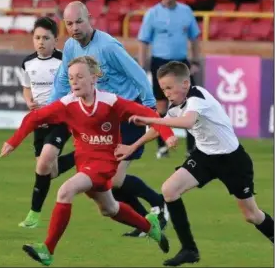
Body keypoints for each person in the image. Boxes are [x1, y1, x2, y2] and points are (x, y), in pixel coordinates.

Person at [0, 56, 177, 266]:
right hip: (84, 163)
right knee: (109, 209)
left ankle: (47, 250)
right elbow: (34, 118)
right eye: (71, 77)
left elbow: (149, 114)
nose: (74, 81)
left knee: (65, 191)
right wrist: (14, 141)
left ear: (94, 78)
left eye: (80, 77)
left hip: (104, 163)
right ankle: (150, 227)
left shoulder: (110, 102)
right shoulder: (67, 104)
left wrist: (168, 135)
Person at [115, 61, 274, 266]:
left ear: (185, 83)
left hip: (232, 160)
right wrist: (132, 147)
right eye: (163, 89)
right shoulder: (176, 105)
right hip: (204, 157)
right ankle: (189, 250)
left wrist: (153, 120)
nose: (167, 93)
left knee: (252, 215)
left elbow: (188, 122)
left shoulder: (197, 97)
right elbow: (157, 128)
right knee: (169, 190)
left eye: (170, 88)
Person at [49, 0, 170, 237]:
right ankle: (144, 221)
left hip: (129, 114)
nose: (75, 27)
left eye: (79, 21)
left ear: (90, 19)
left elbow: (137, 74)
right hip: (105, 119)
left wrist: (148, 110)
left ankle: (159, 203)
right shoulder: (72, 47)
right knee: (108, 182)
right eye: (70, 23)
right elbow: (63, 80)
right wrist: (52, 110)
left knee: (112, 180)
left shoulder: (107, 46)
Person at [19, 17, 75, 228]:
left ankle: (34, 214)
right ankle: (80, 156)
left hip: (61, 120)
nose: (40, 42)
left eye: (45, 38)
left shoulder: (64, 61)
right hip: (39, 121)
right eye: (37, 37)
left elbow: (74, 87)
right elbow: (26, 87)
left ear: (55, 40)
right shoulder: (27, 63)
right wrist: (28, 100)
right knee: (47, 171)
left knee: (45, 161)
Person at [138, 0, 200, 158]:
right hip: (160, 63)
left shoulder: (186, 11)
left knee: (191, 104)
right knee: (161, 106)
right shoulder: (152, 13)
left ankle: (191, 149)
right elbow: (144, 41)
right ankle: (162, 146)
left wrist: (195, 61)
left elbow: (194, 39)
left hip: (181, 62)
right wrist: (142, 68)